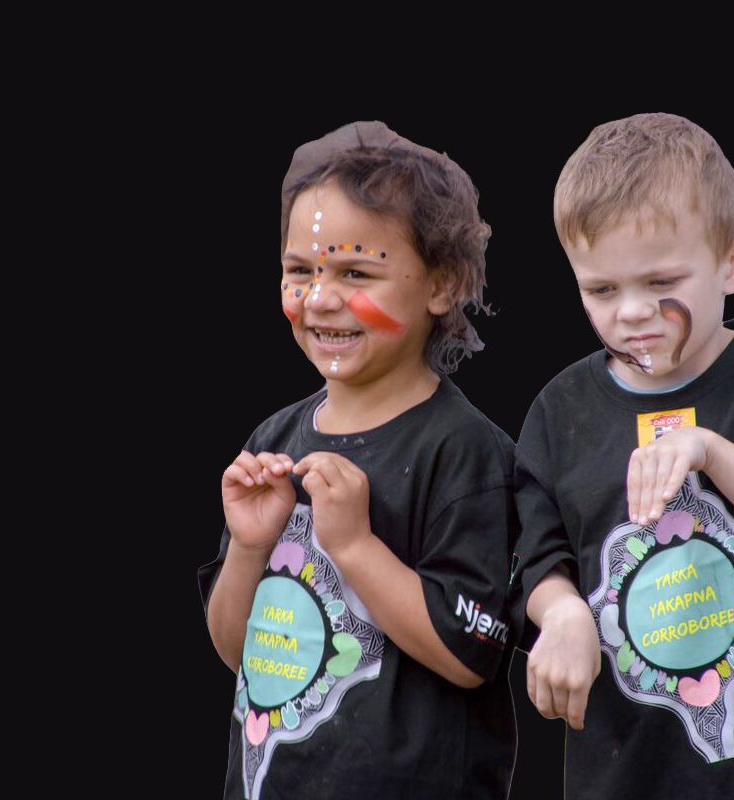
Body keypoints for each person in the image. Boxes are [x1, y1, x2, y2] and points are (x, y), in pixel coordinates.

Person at [514, 112, 734, 799]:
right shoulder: (558, 414)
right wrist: (559, 613)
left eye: (660, 282)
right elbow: (534, 558)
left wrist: (710, 451)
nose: (631, 313)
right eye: (601, 290)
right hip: (620, 778)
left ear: (732, 264)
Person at [198, 121, 519, 799]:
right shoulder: (273, 438)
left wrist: (352, 543)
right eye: (300, 272)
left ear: (443, 284)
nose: (319, 299)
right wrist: (251, 549)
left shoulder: (466, 452)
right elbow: (238, 652)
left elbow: (474, 653)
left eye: (354, 272)